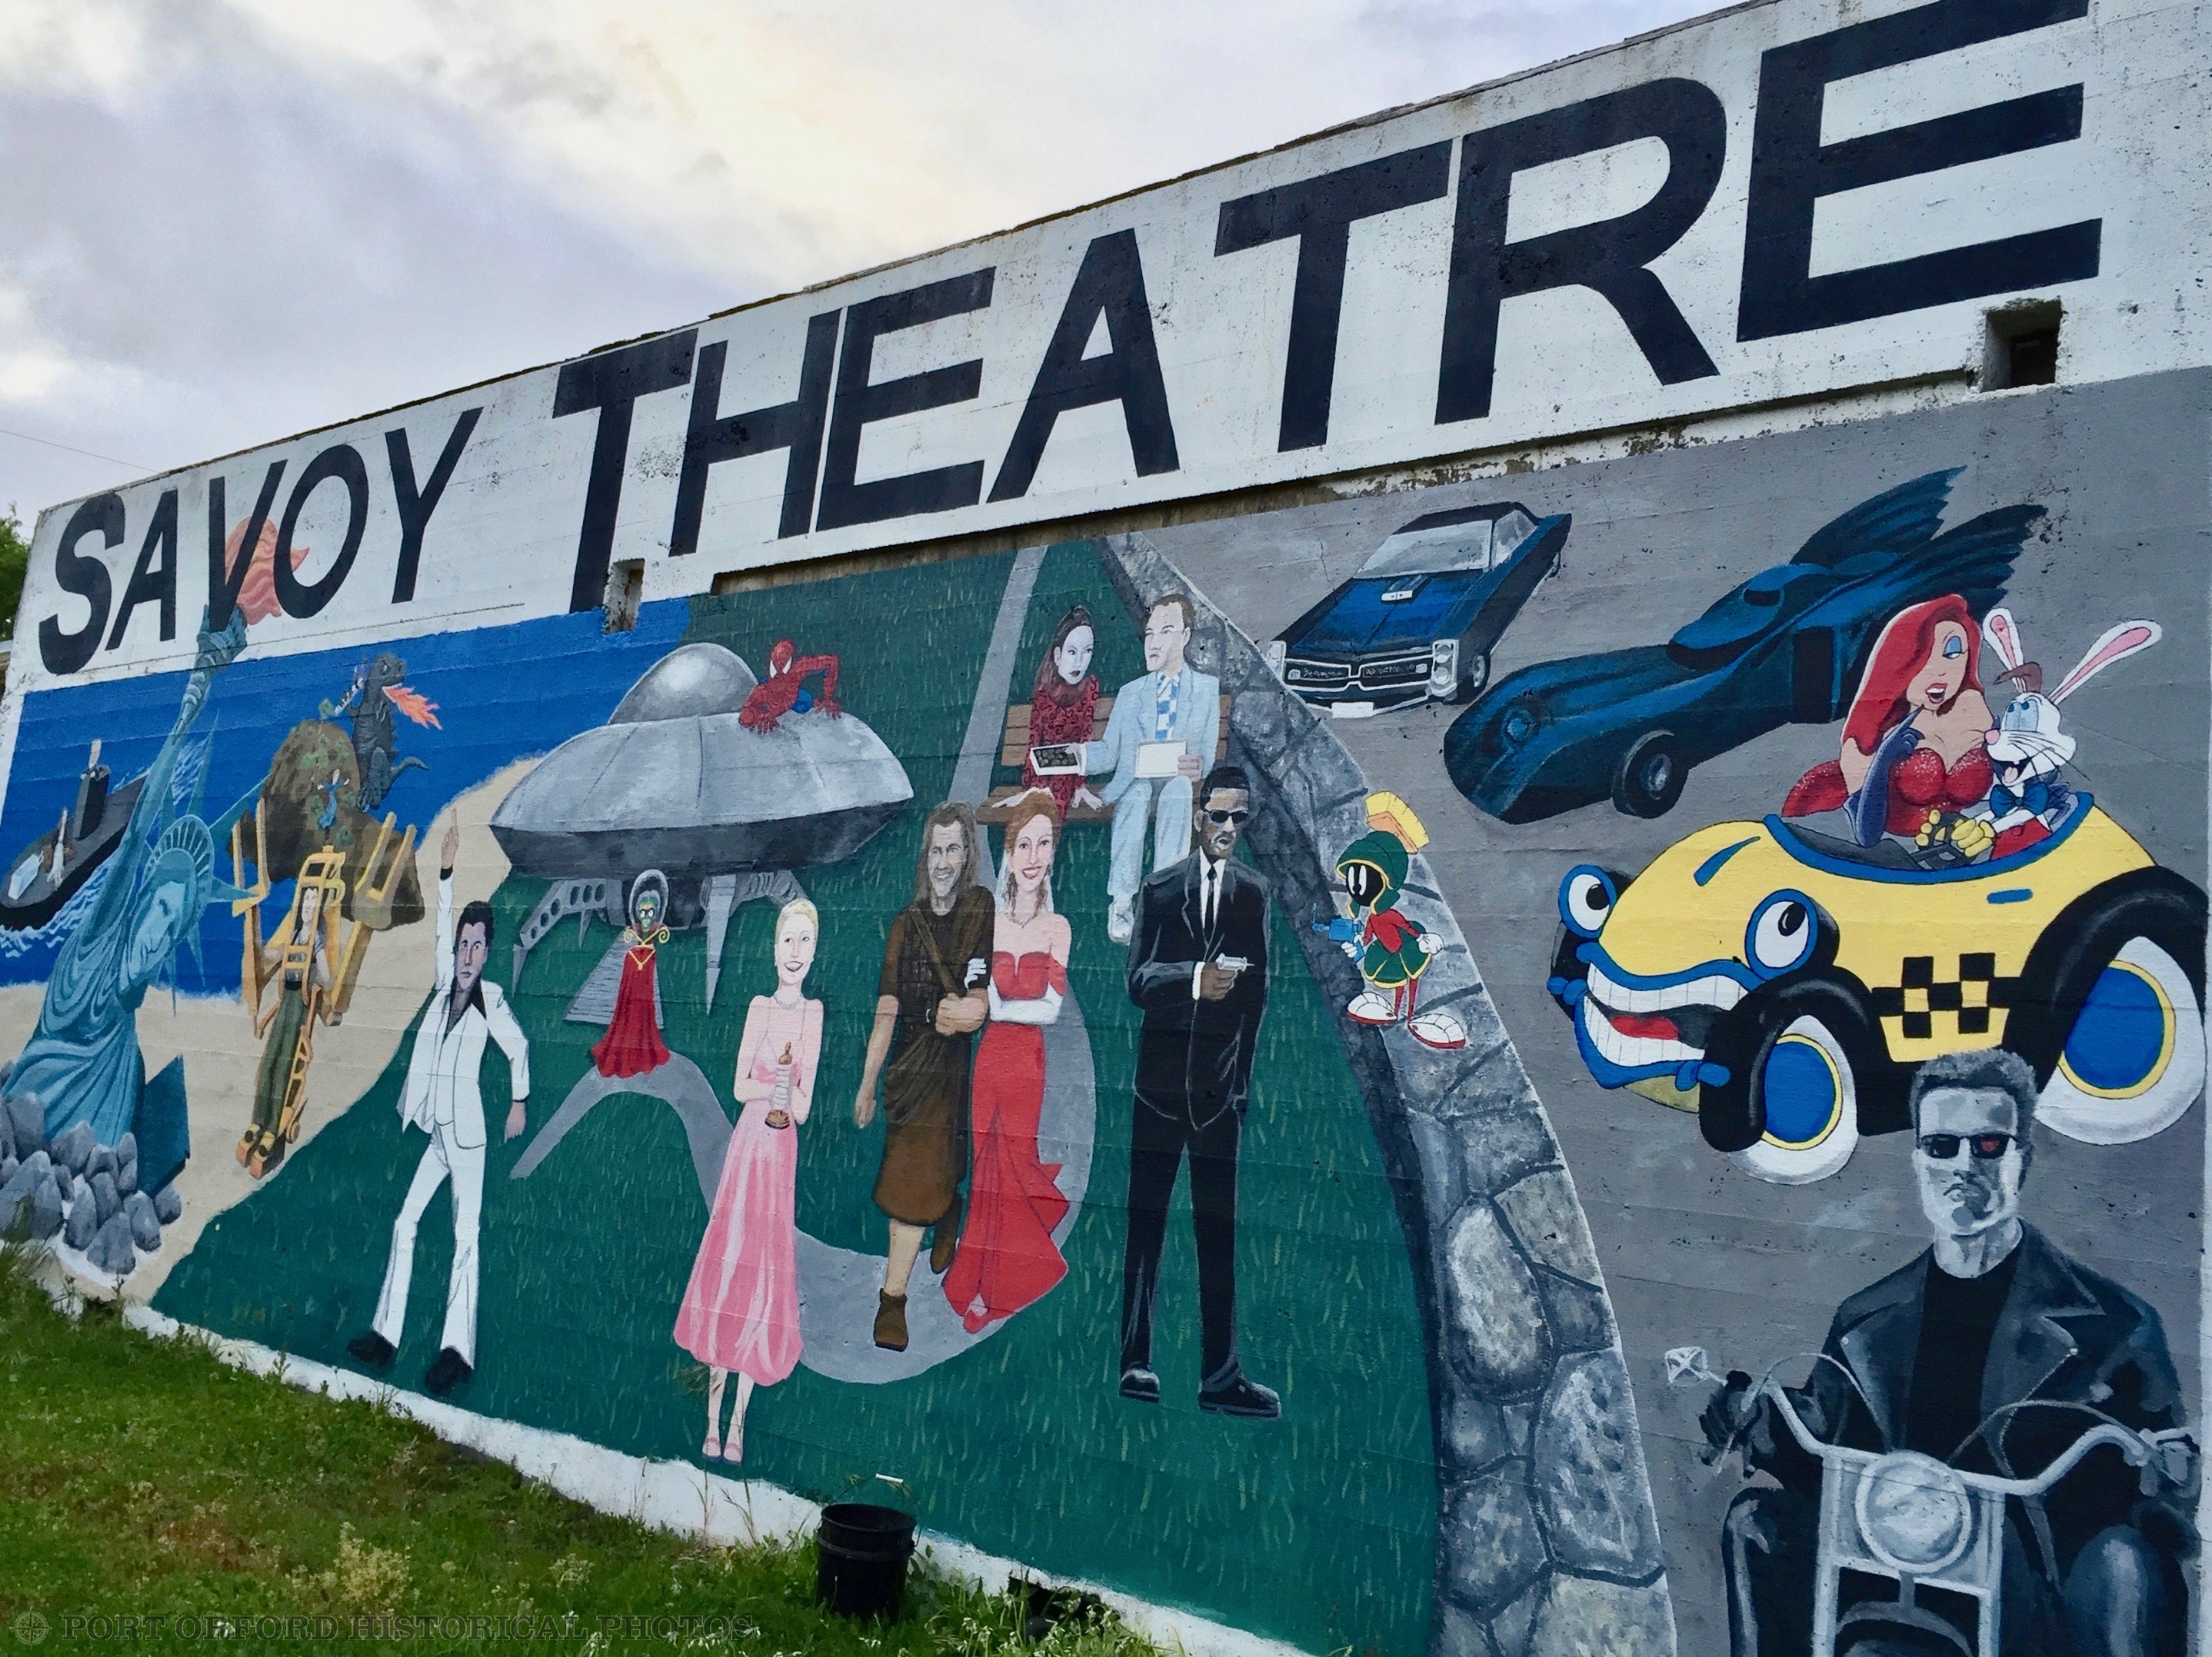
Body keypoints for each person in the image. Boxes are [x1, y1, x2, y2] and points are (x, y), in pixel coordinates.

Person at [1703, 1049, 2192, 1657]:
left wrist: (2160, 1465)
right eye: (1941, 1146)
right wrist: (1756, 1418)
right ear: (1918, 1160)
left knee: (2126, 1564)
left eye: (1988, 1146)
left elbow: (2167, 1490)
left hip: (2029, 1592)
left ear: (2023, 1158)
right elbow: (1826, 1448)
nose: (1964, 1165)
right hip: (1890, 1566)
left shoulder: (2114, 1325)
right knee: (1756, 1522)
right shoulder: (1866, 1319)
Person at [13, 611, 244, 1148]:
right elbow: (137, 834)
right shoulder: (98, 944)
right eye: (161, 910)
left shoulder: (126, 1061)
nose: (160, 935)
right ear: (138, 906)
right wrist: (195, 694)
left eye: (173, 927)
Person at [348, 818, 531, 1399]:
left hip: (470, 1140)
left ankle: (457, 1353)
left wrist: (520, 1101)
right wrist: (446, 868)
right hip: (436, 1137)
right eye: (463, 943)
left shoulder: (491, 1000)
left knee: (464, 1238)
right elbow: (438, 927)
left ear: (488, 951)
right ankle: (385, 1334)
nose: (468, 954)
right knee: (405, 1221)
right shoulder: (441, 987)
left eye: (477, 945)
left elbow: (519, 1047)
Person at [1120, 764, 1278, 1420]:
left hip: (1218, 1095)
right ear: (1198, 818)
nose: (1229, 829)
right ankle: (1134, 1359)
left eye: (1240, 817)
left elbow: (1258, 996)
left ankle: (1221, 1374)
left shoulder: (1253, 894)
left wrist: (1240, 1085)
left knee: (1218, 1235)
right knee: (1146, 1227)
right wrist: (1192, 980)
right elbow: (1137, 980)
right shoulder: (1161, 890)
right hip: (1159, 1091)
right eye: (1220, 816)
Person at [673, 897, 823, 1463]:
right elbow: (740, 1086)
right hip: (748, 1147)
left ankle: (738, 1424)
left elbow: (803, 1107)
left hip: (780, 1154)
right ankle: (711, 1421)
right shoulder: (760, 1007)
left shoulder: (813, 1014)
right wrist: (773, 1086)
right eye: (788, 939)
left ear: (815, 951)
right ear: (773, 947)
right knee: (730, 1266)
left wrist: (788, 1092)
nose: (795, 951)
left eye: (806, 941)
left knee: (764, 1274)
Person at [853, 804, 994, 1352]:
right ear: (925, 856)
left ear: (967, 855)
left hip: (949, 1068)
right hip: (908, 1071)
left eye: (953, 849)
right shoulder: (904, 925)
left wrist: (971, 1010)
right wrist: (868, 1082)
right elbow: (887, 1009)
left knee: (912, 1185)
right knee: (917, 1175)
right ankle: (948, 1207)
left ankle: (892, 1301)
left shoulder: (979, 909)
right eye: (936, 849)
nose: (943, 861)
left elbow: (981, 989)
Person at [942, 796, 1072, 1334]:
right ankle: (975, 1275)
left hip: (1027, 1061)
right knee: (987, 1167)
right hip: (991, 1058)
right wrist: (998, 1004)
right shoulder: (989, 923)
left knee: (1014, 1160)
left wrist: (1002, 1005)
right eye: (1024, 844)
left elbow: (1050, 1009)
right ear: (1010, 853)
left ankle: (1005, 1287)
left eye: (1043, 844)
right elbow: (983, 994)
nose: (1033, 856)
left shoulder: (1058, 927)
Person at [1784, 595, 1994, 846]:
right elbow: (1867, 835)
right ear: (1900, 664)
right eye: (1923, 655)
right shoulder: (1865, 741)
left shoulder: (1975, 716)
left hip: (1964, 847)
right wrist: (1884, 759)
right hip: (1895, 855)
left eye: (1952, 652)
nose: (1940, 670)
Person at [1082, 593, 1219, 945]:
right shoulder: (1132, 692)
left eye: (1166, 631)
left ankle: (1165, 899)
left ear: (1185, 637)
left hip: (1177, 780)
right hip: (1137, 780)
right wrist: (1077, 756)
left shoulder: (1206, 690)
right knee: (1136, 792)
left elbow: (1205, 753)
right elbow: (1109, 753)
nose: (1154, 643)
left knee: (1178, 790)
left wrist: (1198, 766)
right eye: (1149, 634)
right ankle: (1122, 902)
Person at [238, 852, 345, 1179]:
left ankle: (272, 1129)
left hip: (300, 1007)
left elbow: (327, 981)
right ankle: (256, 1122)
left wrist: (319, 961)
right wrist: (257, 933)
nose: (309, 905)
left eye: (314, 900)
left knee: (284, 1067)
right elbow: (268, 955)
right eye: (306, 899)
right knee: (268, 1065)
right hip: (284, 1004)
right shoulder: (294, 938)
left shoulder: (316, 942)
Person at [1021, 606, 1104, 817]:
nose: (1079, 661)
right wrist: (1035, 786)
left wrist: (1081, 785)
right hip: (1043, 771)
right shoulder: (1044, 689)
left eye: (1087, 651)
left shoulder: (1090, 686)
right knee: (1040, 801)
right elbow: (1035, 742)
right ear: (1058, 655)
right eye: (1072, 652)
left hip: (1071, 770)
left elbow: (1086, 735)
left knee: (1059, 789)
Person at [591, 870, 672, 1078]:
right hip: (635, 967)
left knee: (644, 1013)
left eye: (650, 913)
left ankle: (642, 1051)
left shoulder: (652, 950)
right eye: (642, 913)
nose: (646, 918)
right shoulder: (631, 953)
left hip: (645, 974)